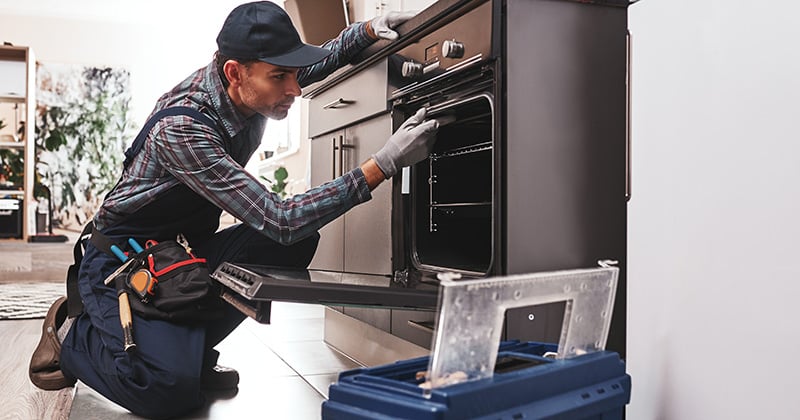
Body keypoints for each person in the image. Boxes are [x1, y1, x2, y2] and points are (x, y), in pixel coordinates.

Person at [28, 2, 438, 418]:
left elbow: (310, 65)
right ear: (234, 73)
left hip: (181, 251)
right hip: (121, 261)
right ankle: (72, 334)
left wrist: (368, 29)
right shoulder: (183, 129)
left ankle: (192, 352)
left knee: (293, 245)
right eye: (281, 77)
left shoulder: (253, 85)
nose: (294, 89)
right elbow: (280, 218)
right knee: (166, 391)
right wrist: (381, 165)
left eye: (292, 74)